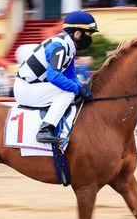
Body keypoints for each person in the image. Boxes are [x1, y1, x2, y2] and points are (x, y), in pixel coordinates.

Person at [13, 10, 97, 144]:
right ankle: (45, 130)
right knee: (69, 91)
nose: (90, 38)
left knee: (74, 90)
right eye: (89, 34)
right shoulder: (59, 46)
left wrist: (81, 87)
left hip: (34, 86)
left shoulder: (69, 46)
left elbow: (70, 74)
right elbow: (54, 76)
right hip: (25, 89)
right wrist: (77, 89)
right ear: (77, 33)